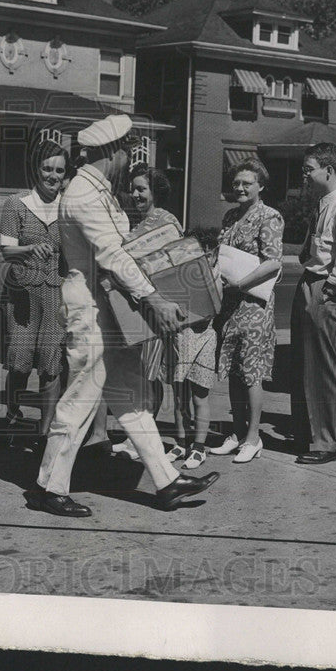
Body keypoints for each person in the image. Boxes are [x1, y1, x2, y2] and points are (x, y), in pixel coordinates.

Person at [27, 114, 219, 517]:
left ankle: (167, 480)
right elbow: (112, 255)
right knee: (80, 396)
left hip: (109, 307)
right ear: (113, 152)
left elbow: (122, 247)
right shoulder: (84, 194)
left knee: (129, 393)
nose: (128, 160)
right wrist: (156, 299)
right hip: (91, 309)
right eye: (127, 152)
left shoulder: (98, 190)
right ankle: (49, 487)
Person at [290, 142, 336, 464]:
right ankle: (307, 435)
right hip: (310, 283)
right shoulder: (323, 203)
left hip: (326, 289)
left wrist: (327, 296)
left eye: (309, 170)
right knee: (304, 367)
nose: (304, 176)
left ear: (329, 170)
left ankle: (329, 443)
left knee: (324, 368)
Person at [209, 160, 285, 464]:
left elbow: (273, 262)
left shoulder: (270, 217)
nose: (239, 188)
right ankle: (237, 432)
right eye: (236, 183)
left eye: (247, 183)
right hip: (229, 305)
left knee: (251, 372)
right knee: (234, 371)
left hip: (254, 304)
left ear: (261, 186)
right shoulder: (230, 216)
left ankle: (254, 437)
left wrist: (241, 284)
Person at [0, 139, 68, 441]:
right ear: (36, 169)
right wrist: (28, 249)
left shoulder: (69, 207)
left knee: (51, 363)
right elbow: (5, 251)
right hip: (23, 295)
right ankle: (13, 412)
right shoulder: (17, 204)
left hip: (56, 293)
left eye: (59, 171)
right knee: (20, 360)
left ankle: (45, 430)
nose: (53, 176)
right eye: (47, 168)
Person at [113, 164, 184, 461]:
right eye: (133, 188)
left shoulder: (166, 220)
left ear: (155, 191)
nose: (135, 194)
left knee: (149, 374)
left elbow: (178, 263)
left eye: (142, 188)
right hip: (141, 305)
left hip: (159, 305)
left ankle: (145, 441)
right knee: (143, 374)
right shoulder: (140, 219)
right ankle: (140, 439)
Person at [171, 227, 221, 470]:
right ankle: (180, 443)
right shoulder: (181, 276)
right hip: (180, 341)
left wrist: (182, 314)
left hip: (202, 341)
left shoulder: (214, 277)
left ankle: (199, 448)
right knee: (179, 398)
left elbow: (210, 311)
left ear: (210, 255)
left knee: (199, 397)